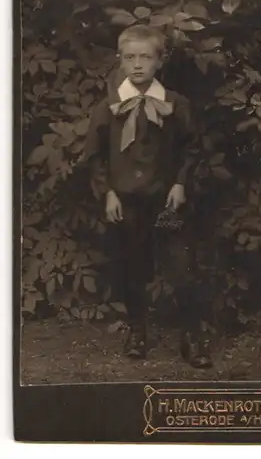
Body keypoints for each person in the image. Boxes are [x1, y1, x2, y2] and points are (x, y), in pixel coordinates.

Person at [80, 24, 212, 368]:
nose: (138, 64)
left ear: (159, 61)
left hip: (166, 200)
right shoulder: (107, 107)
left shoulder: (174, 104)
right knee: (133, 268)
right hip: (126, 201)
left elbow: (193, 147)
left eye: (145, 57)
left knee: (182, 268)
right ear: (120, 61)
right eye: (130, 57)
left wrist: (181, 183)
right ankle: (137, 329)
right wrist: (107, 192)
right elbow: (94, 156)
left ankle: (191, 336)